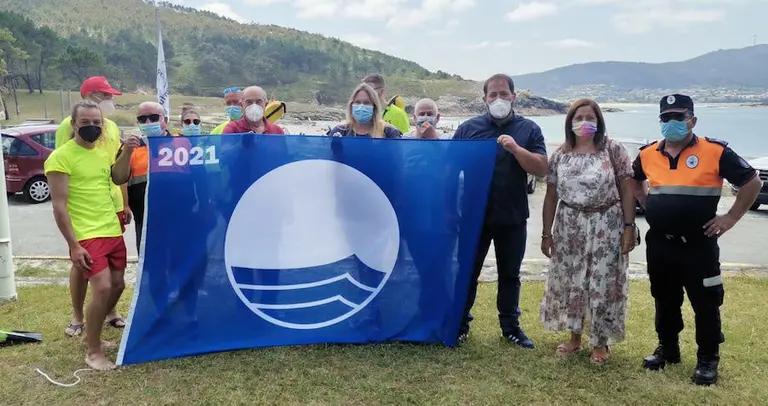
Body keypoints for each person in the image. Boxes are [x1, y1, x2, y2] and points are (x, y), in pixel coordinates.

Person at [632, 94, 761, 385]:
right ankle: (668, 349)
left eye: (679, 117)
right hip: (661, 243)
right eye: (667, 118)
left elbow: (752, 181)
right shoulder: (647, 153)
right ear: (660, 121)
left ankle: (707, 359)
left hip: (699, 244)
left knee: (705, 303)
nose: (673, 123)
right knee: (664, 299)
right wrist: (645, 201)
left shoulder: (715, 152)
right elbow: (632, 179)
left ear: (693, 120)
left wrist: (730, 218)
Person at [452, 73, 548, 347]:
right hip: (474, 218)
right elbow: (448, 168)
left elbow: (541, 168)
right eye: (492, 95)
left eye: (503, 94)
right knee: (468, 272)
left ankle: (511, 328)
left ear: (514, 96)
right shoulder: (468, 129)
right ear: (484, 99)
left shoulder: (529, 129)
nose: (498, 99)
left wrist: (517, 150)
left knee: (510, 274)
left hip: (513, 217)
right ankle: (459, 324)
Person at [45, 100, 141, 370]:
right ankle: (93, 351)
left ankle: (93, 331)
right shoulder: (60, 157)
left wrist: (127, 152)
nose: (92, 127)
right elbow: (59, 205)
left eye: (96, 123)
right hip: (86, 233)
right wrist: (73, 245)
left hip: (111, 228)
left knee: (119, 285)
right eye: (85, 123)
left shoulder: (102, 153)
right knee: (102, 287)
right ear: (73, 124)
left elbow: (119, 178)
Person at [540, 99, 637, 364]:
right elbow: (550, 196)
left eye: (590, 117)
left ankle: (601, 342)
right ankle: (574, 338)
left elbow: (627, 190)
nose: (584, 122)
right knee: (573, 281)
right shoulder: (561, 154)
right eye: (578, 117)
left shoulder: (613, 149)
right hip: (569, 225)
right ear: (569, 122)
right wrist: (546, 233)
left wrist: (629, 227)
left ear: (599, 121)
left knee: (603, 283)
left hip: (607, 224)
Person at [55, 76, 128, 338]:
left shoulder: (111, 127)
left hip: (111, 205)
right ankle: (77, 317)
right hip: (84, 211)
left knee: (112, 272)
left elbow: (116, 167)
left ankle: (110, 312)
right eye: (105, 95)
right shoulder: (67, 127)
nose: (109, 101)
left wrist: (125, 202)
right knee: (84, 264)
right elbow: (65, 167)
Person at [326, 83, 402, 139]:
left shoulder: (389, 132)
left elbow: (398, 158)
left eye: (366, 103)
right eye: (357, 102)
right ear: (351, 105)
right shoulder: (340, 132)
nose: (361, 106)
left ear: (374, 107)